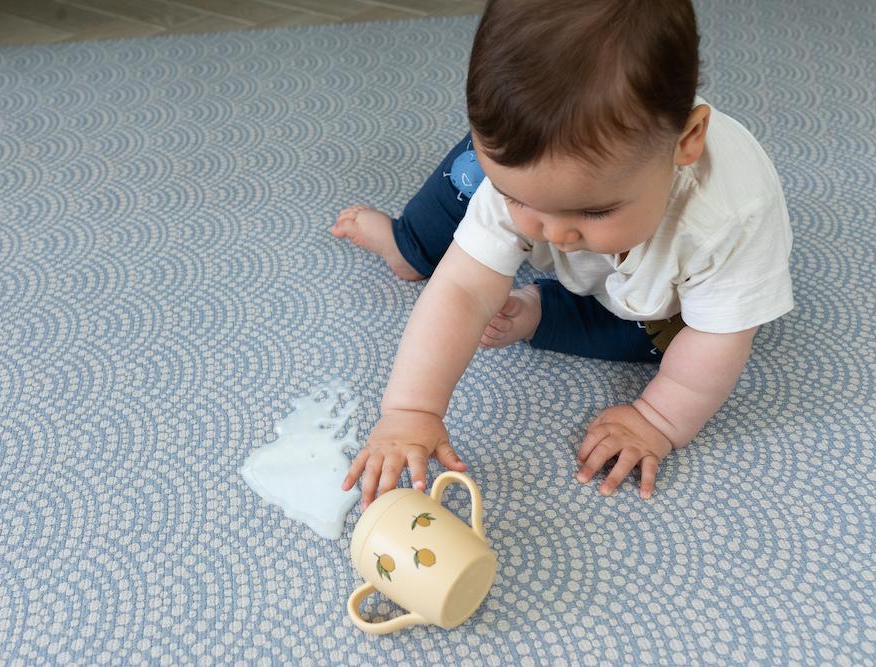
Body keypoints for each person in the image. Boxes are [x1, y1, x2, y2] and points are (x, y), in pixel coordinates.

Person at [331, 0, 793, 508]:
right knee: (470, 174)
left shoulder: (729, 219)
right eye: (519, 200)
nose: (551, 232)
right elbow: (462, 289)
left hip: (659, 299)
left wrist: (658, 419)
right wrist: (411, 411)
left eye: (592, 212)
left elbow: (717, 337)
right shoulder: (529, 175)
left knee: (672, 342)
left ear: (686, 141)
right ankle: (410, 245)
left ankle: (541, 310)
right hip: (534, 169)